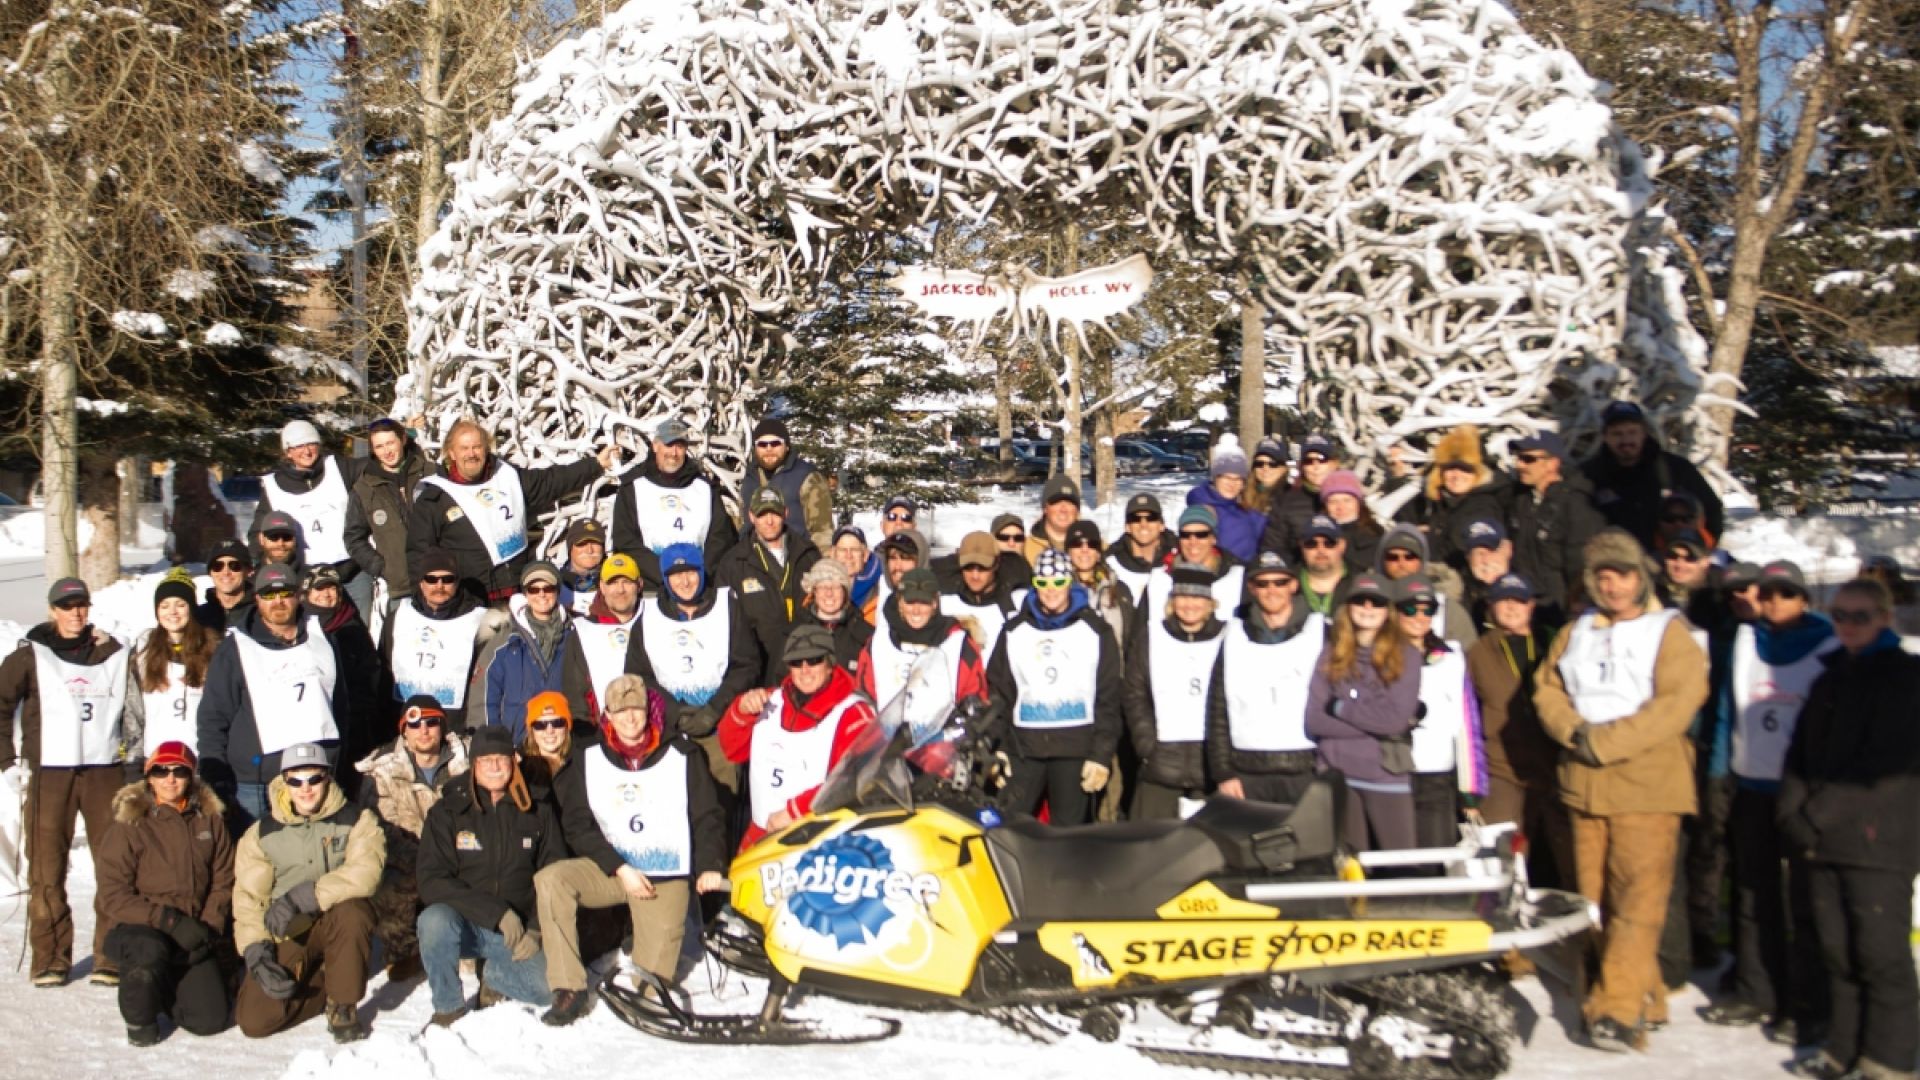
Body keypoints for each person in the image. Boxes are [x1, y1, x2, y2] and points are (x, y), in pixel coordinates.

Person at [1533, 528, 1709, 1051]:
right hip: (1584, 785)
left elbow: (1679, 701)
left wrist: (1609, 742)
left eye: (1623, 575)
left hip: (1646, 782)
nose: (1613, 586)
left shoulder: (1667, 631)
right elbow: (1547, 689)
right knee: (1594, 901)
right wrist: (1574, 732)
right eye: (1603, 576)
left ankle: (1617, 1008)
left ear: (1640, 578)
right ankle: (1644, 994)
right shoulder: (1577, 630)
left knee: (1637, 898)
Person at [1778, 579, 1920, 1080]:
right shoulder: (1831, 677)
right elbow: (1799, 755)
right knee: (1836, 950)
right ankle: (1843, 1048)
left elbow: (1882, 764)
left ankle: (1889, 1059)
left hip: (1878, 841)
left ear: (1885, 618)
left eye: (1861, 616)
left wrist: (1814, 815)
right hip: (1823, 840)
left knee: (1879, 953)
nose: (1850, 625)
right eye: (1840, 616)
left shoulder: (1905, 678)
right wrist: (1790, 813)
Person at [539, 674, 727, 1024]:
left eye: (636, 709)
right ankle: (569, 987)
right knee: (552, 880)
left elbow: (707, 815)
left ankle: (643, 955)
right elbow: (577, 824)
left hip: (663, 873)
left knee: (650, 988)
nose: (629, 718)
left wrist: (709, 864)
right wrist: (619, 867)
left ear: (648, 710)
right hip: (613, 869)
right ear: (607, 715)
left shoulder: (683, 754)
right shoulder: (588, 757)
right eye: (620, 710)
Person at [1703, 560, 1836, 1038]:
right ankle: (1756, 989)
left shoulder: (1828, 644)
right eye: (1768, 593)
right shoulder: (1746, 639)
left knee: (1806, 899)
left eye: (1786, 592)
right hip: (1751, 785)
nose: (1775, 601)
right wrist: (1718, 774)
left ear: (1804, 599)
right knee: (1753, 892)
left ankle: (1808, 1002)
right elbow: (1727, 712)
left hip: (1802, 789)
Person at [0, 577, 132, 986]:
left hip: (102, 770)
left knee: (113, 864)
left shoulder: (111, 651)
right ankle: (50, 957)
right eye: (66, 605)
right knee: (46, 865)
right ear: (52, 610)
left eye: (81, 605)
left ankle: (110, 954)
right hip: (50, 772)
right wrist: (7, 761)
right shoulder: (29, 655)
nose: (75, 613)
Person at [233, 742, 385, 1043]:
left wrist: (305, 896)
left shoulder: (357, 819)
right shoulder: (260, 834)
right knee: (254, 1021)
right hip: (290, 930)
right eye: (296, 780)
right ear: (284, 782)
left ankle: (342, 1003)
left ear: (327, 778)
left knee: (353, 910)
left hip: (337, 920)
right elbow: (249, 898)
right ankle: (327, 980)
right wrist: (256, 950)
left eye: (314, 778)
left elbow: (366, 872)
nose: (306, 789)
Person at [416, 724, 562, 1026]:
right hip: (463, 925)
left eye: (501, 759)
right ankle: (448, 1007)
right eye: (485, 760)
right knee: (433, 921)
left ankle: (494, 976)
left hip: (517, 930)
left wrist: (536, 928)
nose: (494, 767)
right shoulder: (448, 811)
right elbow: (432, 880)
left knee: (548, 988)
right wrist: (495, 913)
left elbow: (556, 872)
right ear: (473, 764)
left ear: (514, 761)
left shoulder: (537, 808)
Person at [96, 742, 235, 1045]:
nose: (170, 779)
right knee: (148, 950)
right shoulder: (129, 824)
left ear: (191, 776)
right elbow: (113, 894)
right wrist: (168, 921)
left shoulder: (210, 820)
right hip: (143, 927)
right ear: (149, 777)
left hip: (193, 928)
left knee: (209, 1020)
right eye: (161, 771)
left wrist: (207, 928)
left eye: (179, 771)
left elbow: (223, 880)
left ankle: (167, 988)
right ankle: (140, 1018)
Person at [406, 417, 617, 605]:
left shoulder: (507, 477)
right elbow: (419, 553)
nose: (471, 454)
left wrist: (597, 464)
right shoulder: (436, 497)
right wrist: (424, 602)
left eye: (477, 447)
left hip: (517, 593)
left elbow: (549, 482)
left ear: (486, 449)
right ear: (451, 453)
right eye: (464, 448)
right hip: (471, 601)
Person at [197, 563, 345, 828]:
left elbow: (342, 703)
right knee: (255, 853)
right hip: (256, 783)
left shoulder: (322, 639)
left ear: (298, 595)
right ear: (257, 598)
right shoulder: (235, 648)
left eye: (285, 593)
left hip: (314, 777)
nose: (278, 601)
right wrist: (216, 775)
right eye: (269, 594)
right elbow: (213, 717)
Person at [986, 549, 1124, 826]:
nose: (1050, 590)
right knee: (1009, 829)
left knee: (1068, 836)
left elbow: (1109, 698)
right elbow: (999, 693)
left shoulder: (1096, 631)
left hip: (1075, 750)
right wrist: (997, 747)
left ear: (1070, 583)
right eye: (1042, 583)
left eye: (1058, 582)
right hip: (1023, 749)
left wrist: (1100, 755)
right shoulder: (1014, 631)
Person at [718, 628, 879, 846]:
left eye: (814, 660)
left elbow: (855, 779)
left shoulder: (853, 713)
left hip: (819, 840)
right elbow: (732, 750)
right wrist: (741, 711)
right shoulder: (771, 701)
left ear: (830, 664)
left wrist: (795, 811)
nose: (805, 670)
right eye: (796, 662)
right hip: (760, 837)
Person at [1465, 573, 1571, 890]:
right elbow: (1466, 719)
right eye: (1503, 600)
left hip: (1553, 766)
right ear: (1490, 606)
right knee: (1498, 861)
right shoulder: (1477, 653)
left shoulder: (1554, 643)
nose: (1511, 607)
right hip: (1501, 767)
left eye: (1519, 600)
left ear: (1531, 605)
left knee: (1560, 861)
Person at [354, 696, 470, 980]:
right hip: (409, 858)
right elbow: (380, 828)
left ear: (443, 727)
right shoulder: (381, 769)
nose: (424, 730)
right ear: (404, 731)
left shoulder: (470, 762)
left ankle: (469, 943)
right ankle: (404, 950)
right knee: (387, 886)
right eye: (415, 725)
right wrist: (425, 862)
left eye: (432, 723)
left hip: (460, 855)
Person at [1305, 573, 1423, 851]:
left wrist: (1339, 708)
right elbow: (1315, 720)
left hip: (1385, 774)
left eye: (1377, 602)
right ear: (1348, 607)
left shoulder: (1407, 656)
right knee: (1351, 868)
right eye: (1360, 600)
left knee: (1401, 863)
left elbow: (1394, 721)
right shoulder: (1330, 653)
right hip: (1337, 773)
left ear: (1388, 610)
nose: (1368, 608)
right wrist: (1373, 719)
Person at [630, 543, 760, 793]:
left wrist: (714, 709)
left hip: (719, 728)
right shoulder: (648, 616)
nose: (685, 582)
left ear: (701, 572)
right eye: (676, 575)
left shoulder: (727, 607)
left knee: (722, 800)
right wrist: (673, 712)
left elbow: (746, 664)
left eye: (690, 572)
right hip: (669, 732)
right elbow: (639, 675)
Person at [1206, 552, 1326, 806]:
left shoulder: (1321, 632)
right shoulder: (1233, 636)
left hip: (1306, 768)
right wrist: (1223, 772)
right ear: (1251, 588)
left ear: (1293, 585)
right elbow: (1218, 709)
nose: (1272, 590)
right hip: (1247, 772)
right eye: (1262, 583)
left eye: (1280, 582)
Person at [1125, 562, 1229, 819]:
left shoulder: (1228, 636)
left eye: (1197, 597)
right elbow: (1135, 693)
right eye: (1183, 596)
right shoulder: (1152, 636)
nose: (1190, 604)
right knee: (1150, 838)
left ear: (1210, 603)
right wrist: (1147, 746)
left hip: (1211, 766)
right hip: (1162, 765)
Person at [1395, 575, 1487, 847]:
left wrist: (1470, 790)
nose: (1419, 617)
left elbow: (1467, 725)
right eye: (1410, 609)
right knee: (1394, 859)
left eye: (1428, 610)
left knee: (1436, 856)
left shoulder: (1450, 658)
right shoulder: (1378, 655)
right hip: (1391, 774)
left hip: (1437, 775)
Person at [253, 419, 373, 616]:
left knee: (358, 632)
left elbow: (380, 465)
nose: (307, 451)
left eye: (311, 444)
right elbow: (258, 535)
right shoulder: (273, 486)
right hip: (308, 581)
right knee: (317, 632)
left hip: (352, 573)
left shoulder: (338, 467)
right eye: (299, 446)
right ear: (288, 452)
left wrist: (408, 436)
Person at [856, 569, 988, 742]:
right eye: (910, 602)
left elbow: (975, 696)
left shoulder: (958, 645)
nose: (916, 610)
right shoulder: (878, 644)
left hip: (941, 748)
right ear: (900, 602)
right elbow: (864, 700)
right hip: (887, 747)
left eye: (924, 603)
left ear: (935, 603)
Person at [610, 417, 738, 592]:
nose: (674, 453)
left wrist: (699, 575)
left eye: (680, 446)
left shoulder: (705, 488)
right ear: (655, 446)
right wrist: (666, 575)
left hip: (698, 587)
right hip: (652, 588)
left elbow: (720, 538)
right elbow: (625, 541)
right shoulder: (632, 487)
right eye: (669, 445)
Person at [1582, 401, 1724, 552]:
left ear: (1644, 433)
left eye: (1632, 432)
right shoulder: (1588, 476)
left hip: (1668, 561)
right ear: (1605, 436)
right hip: (1614, 561)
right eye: (1617, 434)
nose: (1626, 440)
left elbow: (1712, 510)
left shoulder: (1675, 469)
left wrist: (1699, 552)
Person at [715, 485, 823, 684]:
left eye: (775, 513)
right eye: (762, 514)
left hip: (805, 663)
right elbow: (725, 623)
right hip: (759, 669)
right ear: (751, 516)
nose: (769, 521)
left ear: (786, 513)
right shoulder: (734, 563)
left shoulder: (808, 554)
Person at [379, 548, 488, 732]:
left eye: (447, 579)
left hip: (456, 721)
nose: (439, 586)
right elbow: (385, 667)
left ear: (457, 582)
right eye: (431, 579)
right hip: (407, 719)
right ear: (421, 583)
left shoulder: (480, 622)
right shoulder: (398, 618)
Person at [473, 562, 581, 742]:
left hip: (564, 738)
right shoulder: (503, 640)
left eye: (548, 588)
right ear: (525, 594)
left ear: (557, 591)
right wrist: (496, 744)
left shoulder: (576, 635)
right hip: (517, 742)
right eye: (534, 589)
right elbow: (485, 699)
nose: (541, 594)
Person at [1508, 431, 1604, 627]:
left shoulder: (1576, 504)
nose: (1520, 465)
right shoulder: (1521, 499)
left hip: (1558, 609)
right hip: (1523, 606)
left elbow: (1581, 562)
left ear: (1552, 463)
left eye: (1528, 459)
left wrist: (1576, 604)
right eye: (1518, 458)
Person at [302, 565, 381, 797]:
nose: (327, 595)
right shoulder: (300, 628)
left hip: (354, 721)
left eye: (332, 588)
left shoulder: (352, 626)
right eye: (319, 589)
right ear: (307, 593)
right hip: (315, 721)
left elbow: (372, 672)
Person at [345, 416, 431, 616]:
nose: (387, 451)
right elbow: (353, 538)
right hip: (401, 588)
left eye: (390, 443)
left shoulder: (430, 473)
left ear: (403, 439)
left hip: (441, 579)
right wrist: (383, 567)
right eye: (379, 446)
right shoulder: (364, 488)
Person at [126, 572, 219, 758]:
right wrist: (134, 757)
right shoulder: (143, 651)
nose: (173, 612)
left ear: (191, 608)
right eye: (165, 606)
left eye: (181, 605)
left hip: (200, 756)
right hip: (157, 757)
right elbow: (133, 710)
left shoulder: (213, 649)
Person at [1393, 424, 1507, 570]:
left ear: (1479, 474)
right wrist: (1397, 479)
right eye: (1450, 468)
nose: (1456, 475)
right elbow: (1405, 516)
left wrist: (1422, 539)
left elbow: (1454, 551)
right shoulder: (1438, 502)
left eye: (1465, 469)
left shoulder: (1482, 507)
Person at [562, 551, 643, 718]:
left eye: (627, 582)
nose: (620, 590)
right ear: (602, 587)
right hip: (603, 727)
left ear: (639, 584)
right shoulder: (583, 630)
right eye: (613, 582)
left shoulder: (653, 620)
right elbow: (575, 695)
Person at [738, 416, 834, 553]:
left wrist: (818, 561)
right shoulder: (749, 478)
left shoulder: (807, 477)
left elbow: (822, 531)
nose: (769, 448)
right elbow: (743, 523)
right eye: (762, 444)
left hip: (797, 558)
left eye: (775, 443)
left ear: (787, 446)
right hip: (754, 559)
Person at [1375, 524, 1477, 647]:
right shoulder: (1365, 603)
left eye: (1410, 556)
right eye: (1393, 557)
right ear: (1382, 561)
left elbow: (1470, 653)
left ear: (1422, 561)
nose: (1401, 563)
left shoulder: (1447, 609)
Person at [936, 531, 1025, 662]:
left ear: (996, 563)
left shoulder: (1016, 602)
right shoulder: (945, 601)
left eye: (983, 568)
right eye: (968, 567)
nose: (975, 575)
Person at [1143, 506, 1246, 617]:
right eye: (1185, 535)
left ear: (1213, 538)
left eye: (1201, 535)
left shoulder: (1238, 577)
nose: (1193, 541)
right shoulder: (1160, 578)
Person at [1186, 435, 1267, 562]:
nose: (1232, 484)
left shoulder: (1247, 510)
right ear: (1215, 478)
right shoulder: (1201, 509)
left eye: (1238, 479)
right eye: (1226, 477)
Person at [1261, 433, 1339, 560]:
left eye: (1322, 459)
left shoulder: (1349, 498)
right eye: (1309, 461)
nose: (1315, 467)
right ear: (1302, 466)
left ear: (1334, 463)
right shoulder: (1286, 501)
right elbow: (1273, 547)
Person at [793, 558, 874, 671]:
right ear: (814, 592)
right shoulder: (795, 632)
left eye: (836, 587)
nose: (829, 593)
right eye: (823, 587)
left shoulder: (864, 634)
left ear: (845, 592)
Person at [1065, 521, 1134, 648]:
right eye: (1077, 544)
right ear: (1068, 552)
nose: (1085, 550)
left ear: (1098, 553)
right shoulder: (1057, 591)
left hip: (1112, 659)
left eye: (1092, 544)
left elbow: (1131, 639)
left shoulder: (1119, 590)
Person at [1105, 493, 1174, 607]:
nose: (1143, 524)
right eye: (1135, 519)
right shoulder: (1111, 563)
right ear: (1127, 526)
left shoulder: (1178, 558)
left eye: (1151, 518)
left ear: (1162, 525)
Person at [518, 693, 586, 799]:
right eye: (540, 725)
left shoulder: (583, 760)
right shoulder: (520, 768)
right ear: (532, 731)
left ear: (567, 726)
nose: (550, 731)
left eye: (557, 723)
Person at [1318, 469, 1383, 572]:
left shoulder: (1375, 533)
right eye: (1333, 502)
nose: (1340, 507)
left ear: (1358, 503)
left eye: (1347, 500)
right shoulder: (1317, 535)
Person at [1458, 518, 1516, 631]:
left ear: (1509, 549)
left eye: (1493, 551)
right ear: (1467, 557)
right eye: (1480, 553)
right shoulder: (1456, 594)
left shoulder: (1529, 597)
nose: (1486, 560)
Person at [196, 538, 255, 632]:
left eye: (234, 566)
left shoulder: (262, 614)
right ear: (210, 572)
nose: (226, 572)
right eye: (217, 566)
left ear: (248, 571)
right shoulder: (197, 618)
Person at [831, 525, 886, 624]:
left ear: (865, 555)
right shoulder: (820, 585)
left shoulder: (881, 589)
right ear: (833, 554)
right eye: (842, 550)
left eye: (854, 550)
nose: (848, 556)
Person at [1298, 515, 1351, 616]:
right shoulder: (1284, 585)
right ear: (1301, 546)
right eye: (1311, 543)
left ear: (1342, 545)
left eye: (1329, 543)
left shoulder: (1360, 583)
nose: (1320, 550)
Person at [1024, 474, 1083, 565]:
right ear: (1045, 508)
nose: (1063, 509)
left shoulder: (1095, 547)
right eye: (1057, 502)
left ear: (1077, 510)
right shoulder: (1025, 549)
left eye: (1070, 503)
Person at [1858, 555, 1920, 639]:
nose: (1879, 577)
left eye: (1887, 574)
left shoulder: (1913, 594)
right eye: (1872, 573)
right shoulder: (1848, 599)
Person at [557, 519, 609, 616]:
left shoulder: (616, 581)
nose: (589, 550)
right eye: (582, 543)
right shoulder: (553, 583)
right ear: (570, 548)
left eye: (595, 543)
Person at [254, 511, 308, 580]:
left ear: (295, 539)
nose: (280, 544)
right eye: (274, 537)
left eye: (287, 537)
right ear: (261, 539)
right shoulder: (250, 580)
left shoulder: (310, 579)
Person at [1249, 436, 1290, 507]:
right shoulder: (1243, 498)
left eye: (1273, 464)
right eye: (1259, 463)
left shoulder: (1295, 499)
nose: (1265, 468)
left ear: (1284, 468)